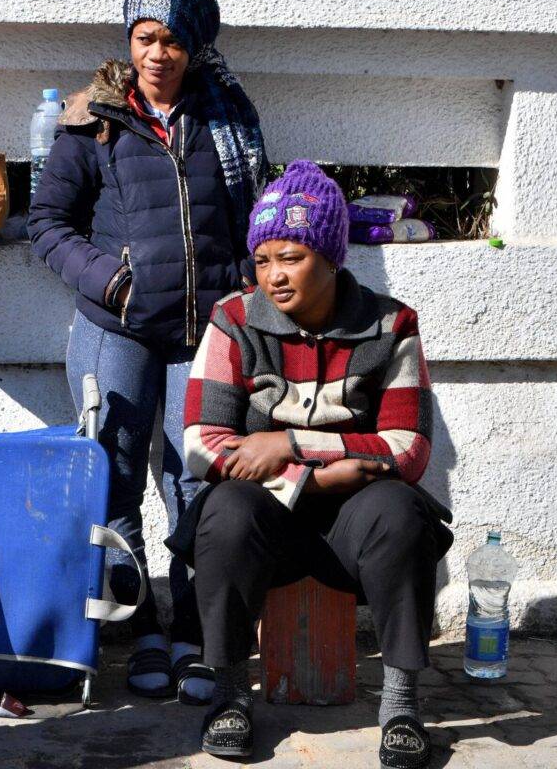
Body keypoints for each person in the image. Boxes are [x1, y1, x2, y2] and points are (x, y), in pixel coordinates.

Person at [27, 0, 268, 703]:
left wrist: (250, 296)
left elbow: (256, 217)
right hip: (119, 329)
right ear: (128, 42)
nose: (157, 54)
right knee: (120, 475)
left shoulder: (227, 118)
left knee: (195, 481)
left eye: (171, 41)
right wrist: (111, 280)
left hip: (204, 334)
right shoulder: (93, 118)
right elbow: (46, 225)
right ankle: (144, 634)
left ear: (193, 47)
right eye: (145, 38)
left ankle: (195, 632)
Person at [172, 160, 453, 765]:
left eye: (291, 257)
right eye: (264, 259)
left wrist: (288, 445)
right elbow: (201, 442)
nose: (273, 275)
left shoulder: (392, 324)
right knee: (223, 509)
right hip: (267, 520)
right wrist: (325, 471)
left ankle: (402, 705)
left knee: (401, 512)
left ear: (331, 257)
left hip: (357, 524)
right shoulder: (234, 319)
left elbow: (408, 447)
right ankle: (227, 695)